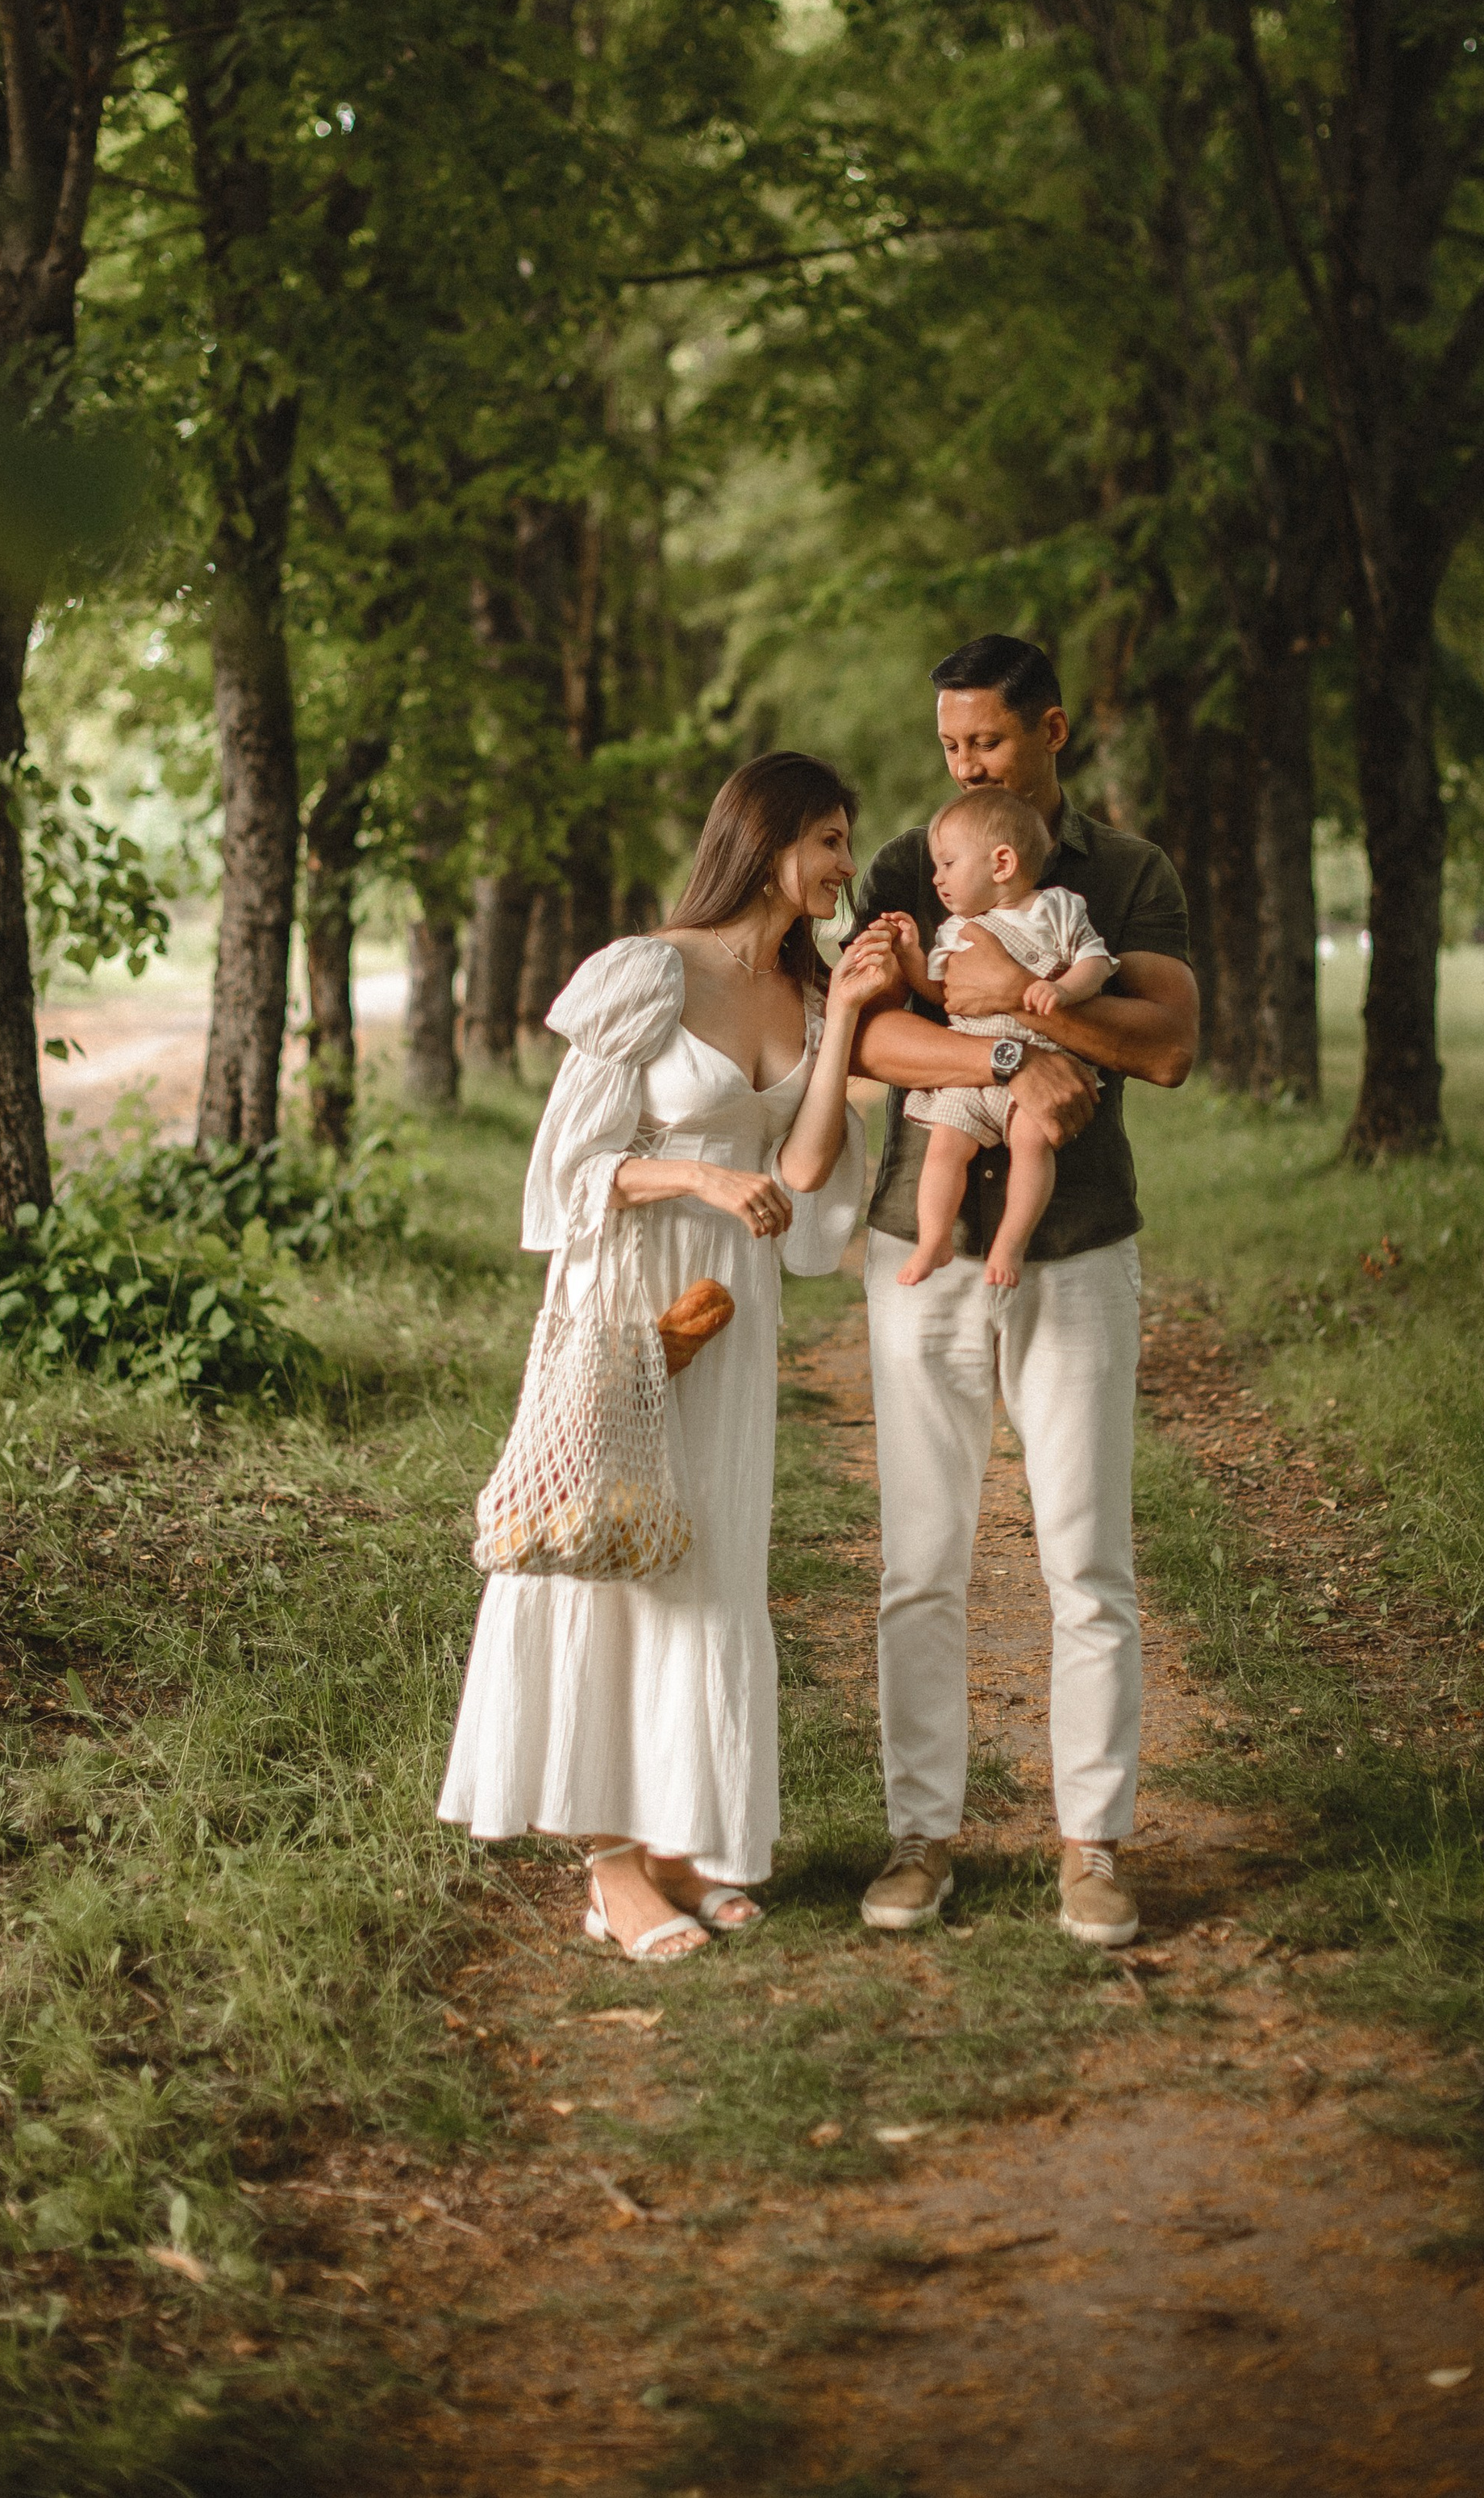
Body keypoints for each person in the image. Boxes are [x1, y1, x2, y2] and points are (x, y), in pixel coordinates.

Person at [438, 754, 902, 1962]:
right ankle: (609, 1863)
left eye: (849, 843)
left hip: (731, 1303)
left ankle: (689, 1837)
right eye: (832, 840)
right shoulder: (648, 971)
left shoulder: (804, 992)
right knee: (608, 1548)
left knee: (708, 1558)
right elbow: (561, 1178)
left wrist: (844, 1015)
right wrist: (697, 1170)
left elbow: (800, 1176)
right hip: (625, 1289)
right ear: (766, 840)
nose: (845, 865)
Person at [844, 639, 1198, 1950]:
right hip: (918, 1250)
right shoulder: (907, 866)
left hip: (1082, 1243)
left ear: (1051, 729)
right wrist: (1004, 1049)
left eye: (985, 745)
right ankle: (919, 1836)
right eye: (949, 747)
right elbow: (867, 1029)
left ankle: (1091, 1846)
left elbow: (1169, 1043)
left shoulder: (1131, 874)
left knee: (1086, 1561)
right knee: (919, 1559)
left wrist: (1052, 1024)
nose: (964, 768)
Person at [879, 785, 1114, 1290]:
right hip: (969, 1064)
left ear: (1001, 863)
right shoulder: (956, 929)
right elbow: (941, 994)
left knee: (1032, 1143)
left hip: (1047, 1063)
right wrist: (910, 955)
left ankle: (1011, 1241)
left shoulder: (1056, 910)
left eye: (947, 864)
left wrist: (1061, 990)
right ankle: (934, 1239)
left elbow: (1095, 961)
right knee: (944, 1146)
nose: (937, 879)